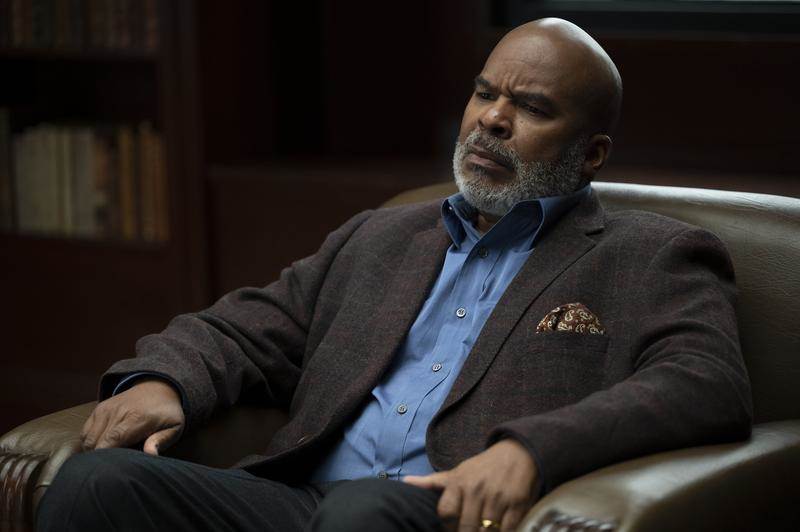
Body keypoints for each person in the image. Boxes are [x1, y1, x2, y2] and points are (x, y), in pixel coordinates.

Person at [36, 17, 752, 532]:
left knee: (363, 512)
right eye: (485, 94)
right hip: (299, 503)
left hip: (445, 512)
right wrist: (163, 382)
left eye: (532, 107)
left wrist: (531, 451)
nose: (493, 120)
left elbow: (705, 383)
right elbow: (244, 329)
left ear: (591, 153)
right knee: (98, 481)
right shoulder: (380, 237)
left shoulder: (648, 254)